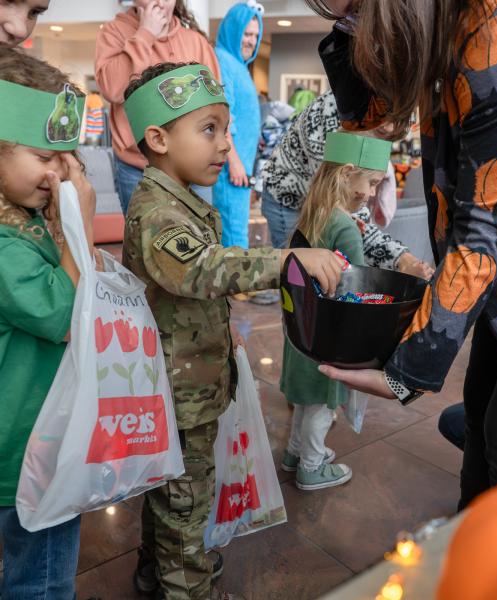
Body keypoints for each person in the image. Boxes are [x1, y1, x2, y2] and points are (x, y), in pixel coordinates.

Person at [308, 0, 497, 510]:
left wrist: (409, 372)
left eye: (358, 10)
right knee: (484, 416)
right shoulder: (440, 16)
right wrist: (348, 22)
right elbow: (371, 117)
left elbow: (485, 225)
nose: (355, 26)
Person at [121, 61, 343, 600]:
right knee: (186, 499)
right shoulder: (157, 214)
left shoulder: (180, 201)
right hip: (178, 392)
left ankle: (159, 567)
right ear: (158, 138)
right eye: (209, 130)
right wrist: (289, 258)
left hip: (188, 375)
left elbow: (188, 290)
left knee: (173, 489)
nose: (225, 145)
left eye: (227, 129)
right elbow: (203, 270)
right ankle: (186, 583)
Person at [0, 48, 96, 599]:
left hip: (37, 437)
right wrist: (80, 225)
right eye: (44, 155)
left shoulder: (31, 220)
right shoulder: (5, 245)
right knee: (40, 581)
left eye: (67, 157)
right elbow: (64, 314)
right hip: (23, 455)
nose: (59, 171)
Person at [281, 131, 391, 490]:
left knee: (305, 398)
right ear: (346, 174)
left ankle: (295, 452)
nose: (372, 194)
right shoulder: (345, 226)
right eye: (371, 183)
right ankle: (311, 467)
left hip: (302, 327)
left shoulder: (314, 211)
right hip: (330, 334)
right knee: (322, 404)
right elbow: (356, 289)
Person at [261, 90, 434, 280]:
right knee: (297, 275)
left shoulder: (344, 179)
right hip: (287, 195)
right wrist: (401, 261)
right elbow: (352, 223)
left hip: (318, 202)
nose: (390, 128)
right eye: (382, 128)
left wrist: (403, 259)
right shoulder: (332, 121)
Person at [95, 0, 220, 213]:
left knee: (203, 238)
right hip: (138, 166)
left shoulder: (196, 41)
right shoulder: (113, 32)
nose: (160, 2)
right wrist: (145, 34)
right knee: (143, 242)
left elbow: (216, 105)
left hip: (195, 164)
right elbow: (112, 90)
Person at [213, 1, 264, 248]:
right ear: (233, 30)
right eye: (246, 33)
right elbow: (223, 117)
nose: (251, 41)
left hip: (240, 171)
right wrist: (234, 162)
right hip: (230, 169)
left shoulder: (238, 66)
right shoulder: (222, 60)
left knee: (237, 233)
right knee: (234, 240)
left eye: (255, 35)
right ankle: (235, 289)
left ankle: (237, 287)